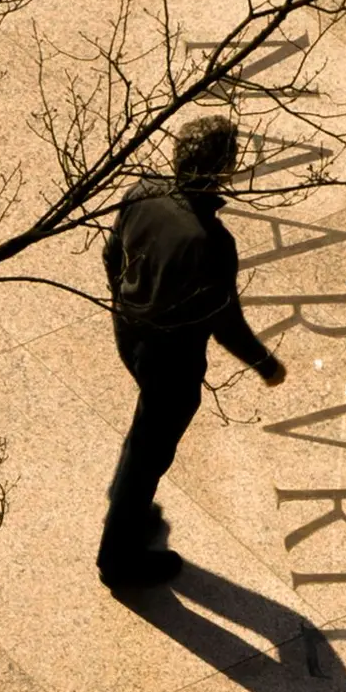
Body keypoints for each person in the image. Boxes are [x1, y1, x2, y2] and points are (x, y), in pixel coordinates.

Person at [97, 113, 284, 592]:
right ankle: (120, 560)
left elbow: (111, 254)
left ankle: (127, 501)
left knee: (145, 432)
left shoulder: (142, 193)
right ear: (224, 169)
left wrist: (128, 302)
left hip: (130, 335)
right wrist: (265, 363)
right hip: (171, 359)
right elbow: (224, 320)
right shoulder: (211, 242)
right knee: (150, 449)